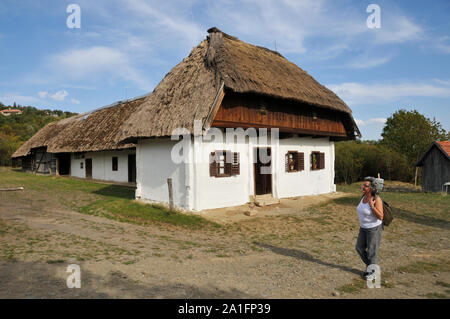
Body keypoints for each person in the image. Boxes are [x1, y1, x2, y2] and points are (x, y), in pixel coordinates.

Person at [355, 177, 384, 280]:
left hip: (374, 229)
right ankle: (372, 267)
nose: (363, 187)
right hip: (363, 228)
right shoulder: (363, 196)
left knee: (372, 251)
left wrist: (372, 206)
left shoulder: (377, 199)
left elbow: (381, 216)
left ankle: (373, 272)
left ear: (372, 188)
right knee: (359, 248)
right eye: (363, 185)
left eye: (366, 186)